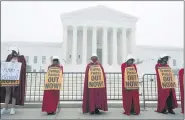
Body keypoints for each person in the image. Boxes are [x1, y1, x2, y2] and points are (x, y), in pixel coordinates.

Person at [1, 47, 26, 115]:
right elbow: (5, 65)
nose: (12, 52)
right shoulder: (9, 57)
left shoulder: (21, 58)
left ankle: (12, 108)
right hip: (8, 78)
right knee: (7, 92)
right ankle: (5, 108)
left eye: (13, 51)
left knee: (14, 93)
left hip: (15, 78)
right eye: (12, 51)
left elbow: (23, 67)